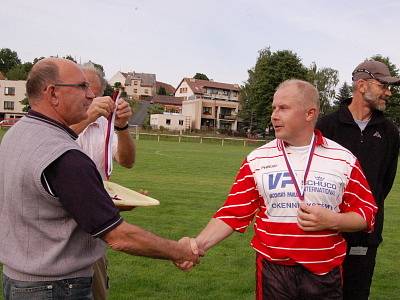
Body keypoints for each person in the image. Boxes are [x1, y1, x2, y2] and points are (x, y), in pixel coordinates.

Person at [0, 57, 199, 300]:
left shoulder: (16, 134)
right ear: (53, 94)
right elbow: (119, 236)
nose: (90, 96)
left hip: (18, 280)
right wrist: (178, 251)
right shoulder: (65, 155)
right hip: (57, 288)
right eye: (82, 87)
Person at [179, 79, 377, 299]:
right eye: (274, 108)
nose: (274, 115)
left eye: (283, 108)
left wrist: (333, 221)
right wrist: (197, 245)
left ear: (309, 114)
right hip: (274, 272)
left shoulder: (343, 159)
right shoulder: (257, 159)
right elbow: (233, 213)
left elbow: (366, 214)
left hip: (325, 273)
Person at [316, 60, 400, 300]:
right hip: (325, 233)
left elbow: (384, 184)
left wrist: (363, 215)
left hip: (365, 235)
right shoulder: (326, 127)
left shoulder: (389, 132)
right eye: (383, 85)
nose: (389, 92)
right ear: (361, 85)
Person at [70, 63, 135, 300]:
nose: (89, 96)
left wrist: (122, 127)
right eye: (83, 88)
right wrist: (88, 117)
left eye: (94, 92)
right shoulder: (58, 122)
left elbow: (127, 161)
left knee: (97, 291)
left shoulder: (105, 125)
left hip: (94, 229)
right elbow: (57, 139)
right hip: (59, 231)